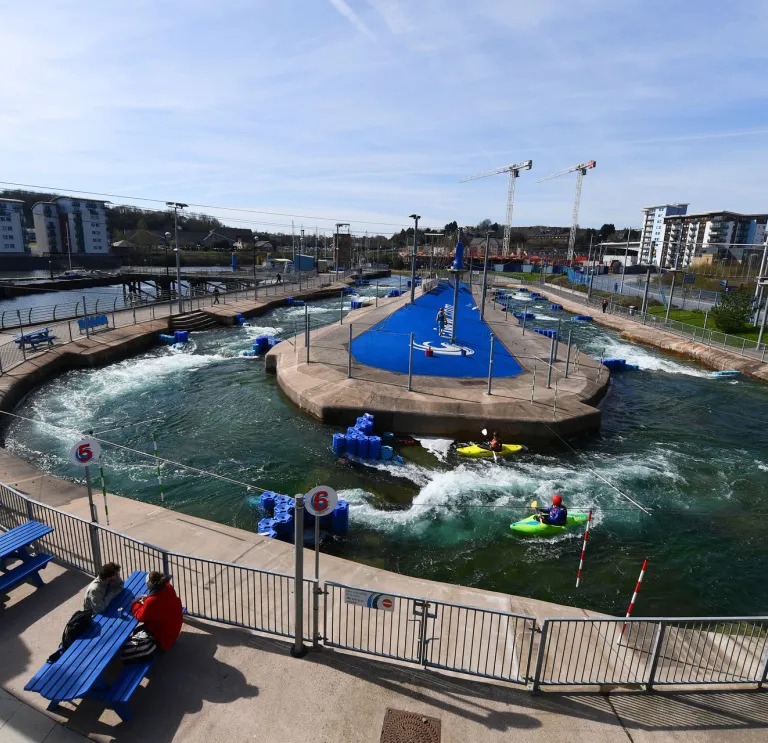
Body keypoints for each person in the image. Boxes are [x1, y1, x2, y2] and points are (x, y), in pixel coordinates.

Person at [121, 571, 183, 663]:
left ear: (150, 584)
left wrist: (135, 603)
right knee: (139, 630)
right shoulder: (168, 587)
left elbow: (140, 616)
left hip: (163, 637)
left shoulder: (152, 601)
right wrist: (148, 598)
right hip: (174, 627)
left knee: (136, 633)